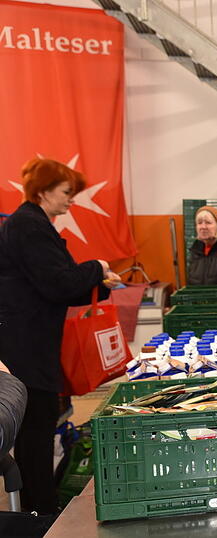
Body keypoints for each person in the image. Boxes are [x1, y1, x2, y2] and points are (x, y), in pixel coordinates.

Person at [0, 158, 122, 514]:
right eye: (67, 191)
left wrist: (100, 285)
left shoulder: (33, 223)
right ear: (43, 190)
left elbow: (57, 286)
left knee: (36, 429)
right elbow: (58, 283)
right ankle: (41, 509)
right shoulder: (29, 225)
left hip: (29, 339)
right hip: (26, 344)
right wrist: (97, 267)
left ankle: (37, 502)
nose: (71, 199)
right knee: (35, 429)